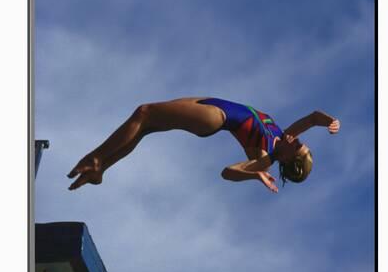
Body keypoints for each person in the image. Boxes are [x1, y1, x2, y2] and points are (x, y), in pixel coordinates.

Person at [67, 96, 340, 194]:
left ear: (288, 159)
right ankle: (101, 168)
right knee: (146, 125)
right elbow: (314, 118)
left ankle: (95, 158)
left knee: (144, 113)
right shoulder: (283, 134)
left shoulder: (266, 157)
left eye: (299, 146)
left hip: (215, 118)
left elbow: (227, 172)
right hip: (211, 101)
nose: (299, 140)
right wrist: (331, 121)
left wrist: (254, 173)